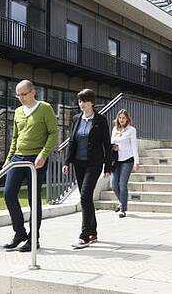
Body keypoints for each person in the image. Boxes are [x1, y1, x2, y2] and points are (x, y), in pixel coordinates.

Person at [3, 80, 58, 252]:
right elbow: (15, 138)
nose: (21, 98)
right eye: (18, 95)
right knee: (8, 194)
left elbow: (53, 134)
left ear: (33, 92)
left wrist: (43, 154)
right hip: (18, 158)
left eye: (24, 94)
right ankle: (20, 233)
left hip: (36, 159)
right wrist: (8, 160)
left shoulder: (45, 108)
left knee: (33, 199)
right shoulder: (18, 111)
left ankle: (34, 239)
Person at [63, 89, 112, 249]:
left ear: (91, 102)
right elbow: (72, 141)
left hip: (94, 163)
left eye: (84, 101)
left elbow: (107, 143)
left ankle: (84, 236)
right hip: (79, 163)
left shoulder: (100, 120)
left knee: (84, 196)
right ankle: (94, 232)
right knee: (87, 198)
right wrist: (66, 161)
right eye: (79, 101)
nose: (81, 104)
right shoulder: (76, 118)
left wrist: (108, 166)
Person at [110, 109, 139, 218]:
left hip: (128, 159)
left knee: (122, 184)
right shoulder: (114, 129)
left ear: (127, 119)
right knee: (113, 185)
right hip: (116, 160)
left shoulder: (131, 130)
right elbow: (112, 142)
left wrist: (137, 162)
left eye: (123, 118)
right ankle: (121, 201)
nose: (121, 120)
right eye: (120, 118)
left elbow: (134, 146)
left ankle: (123, 209)